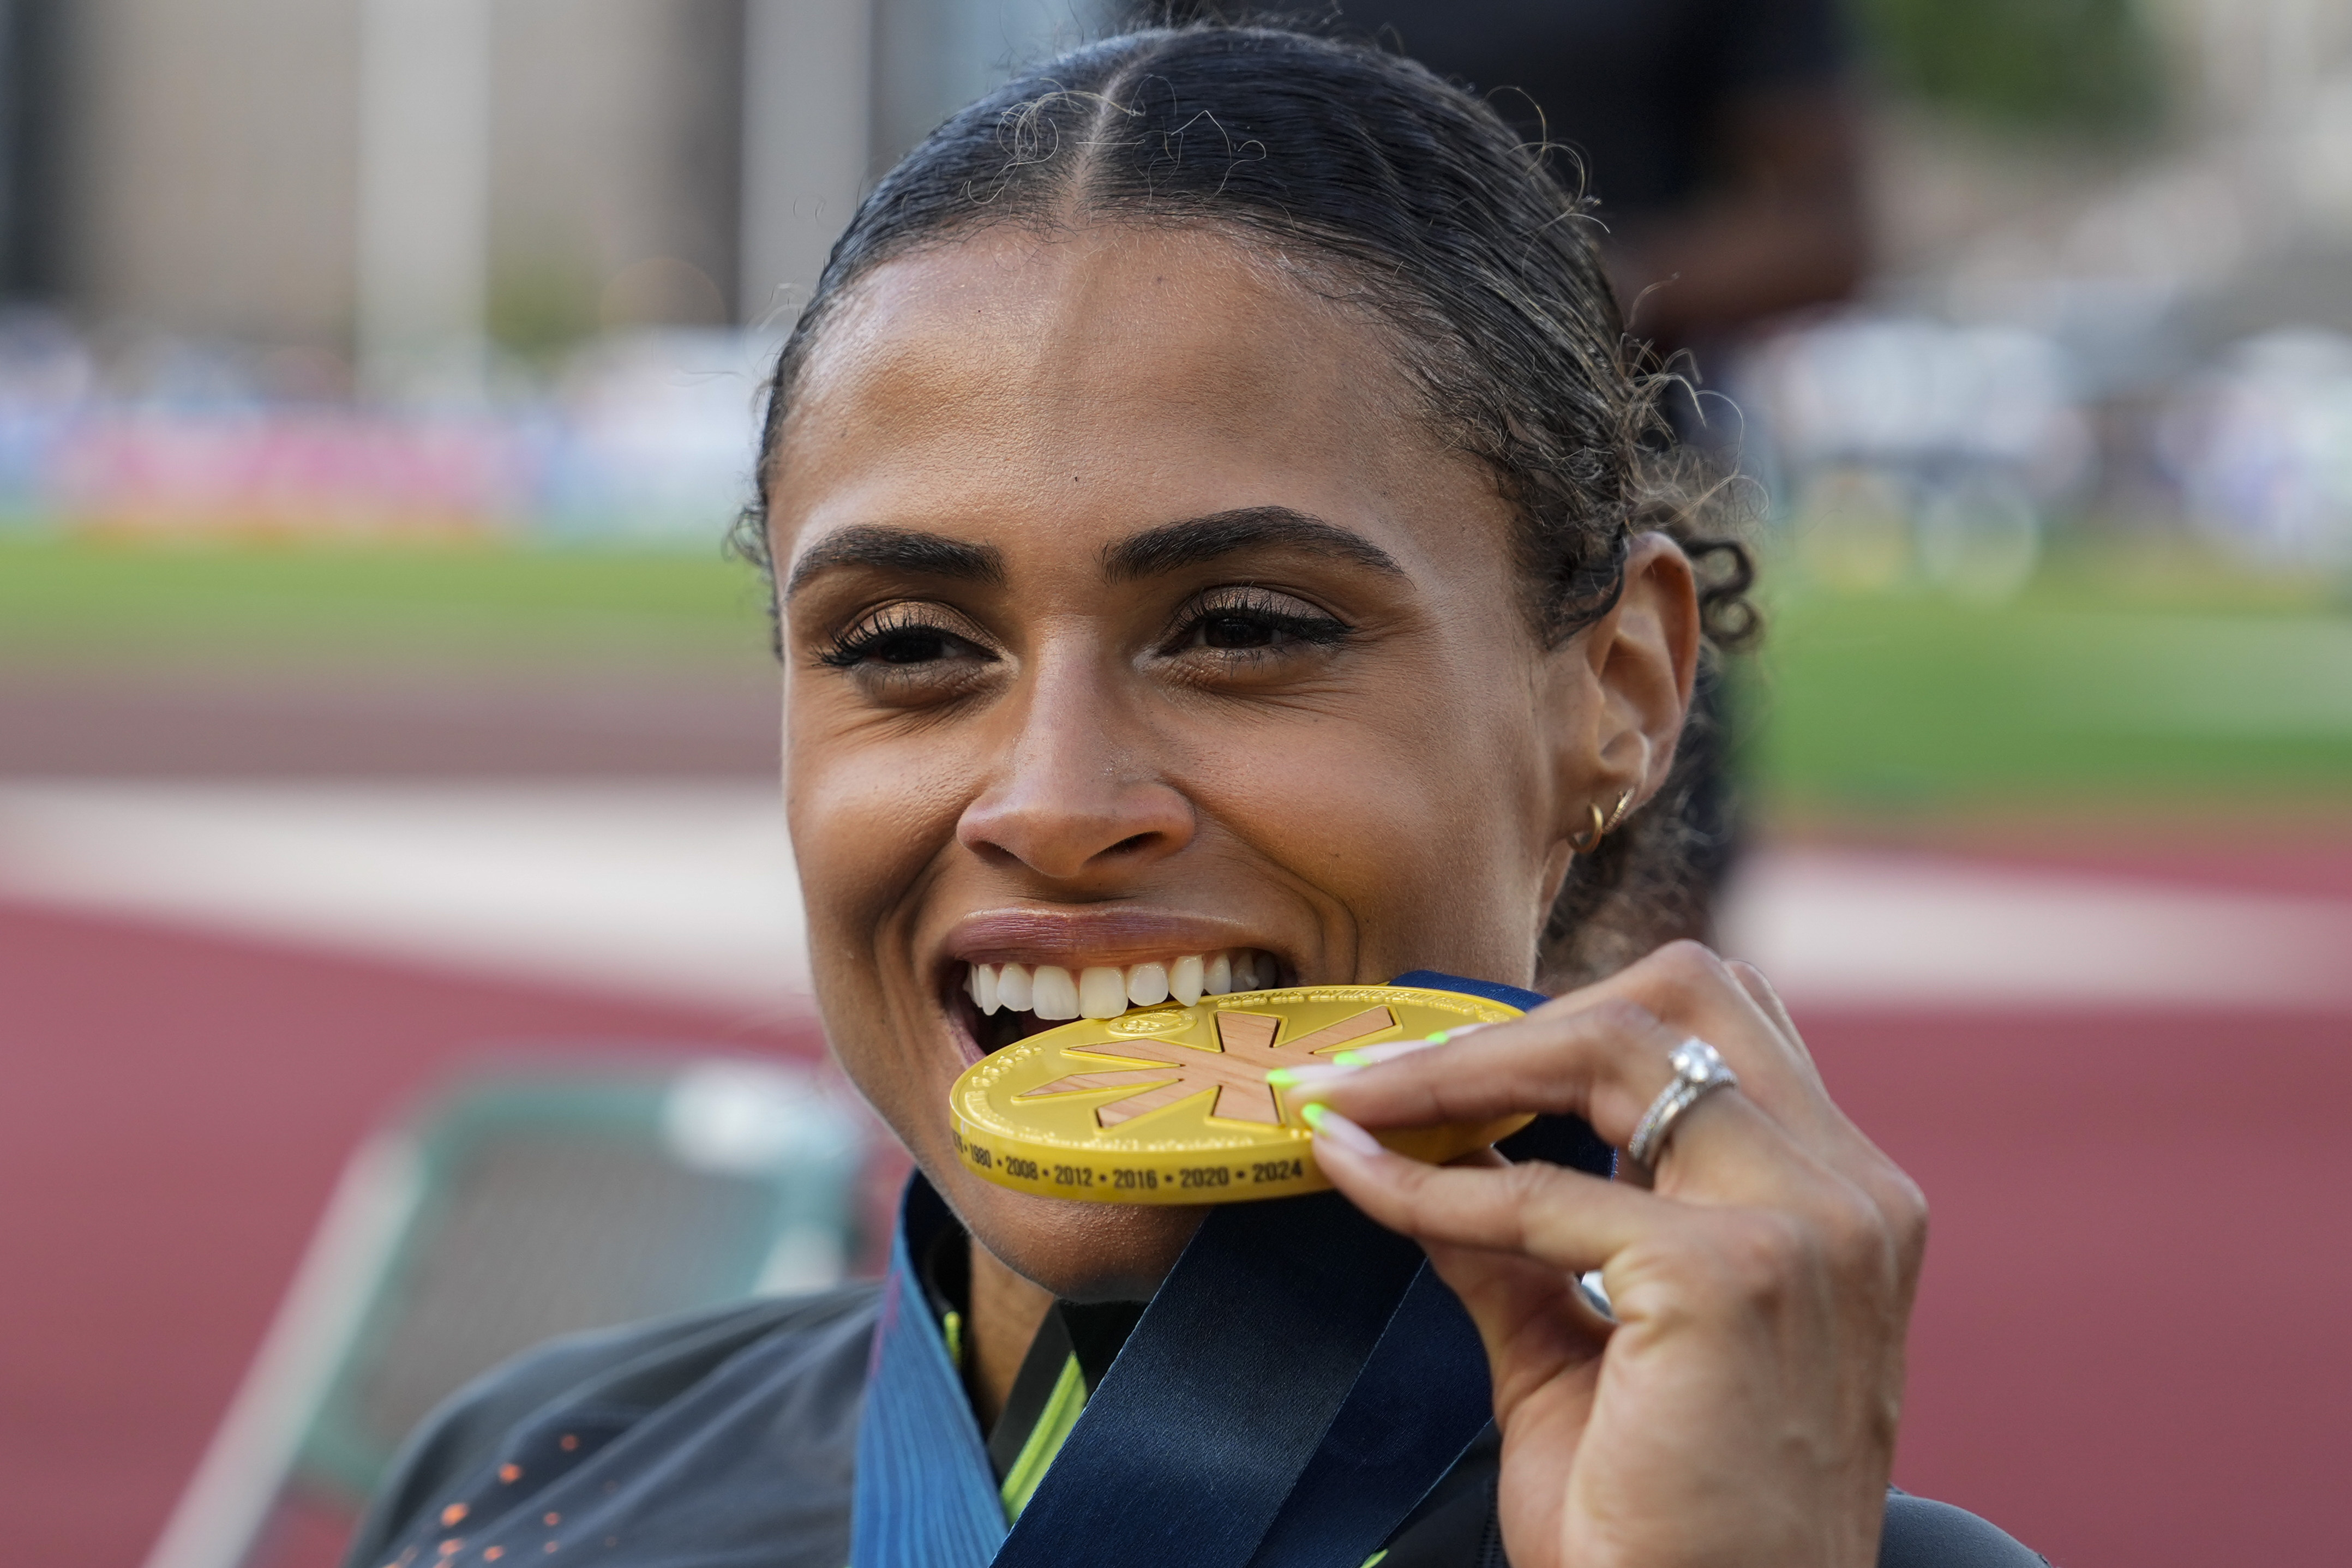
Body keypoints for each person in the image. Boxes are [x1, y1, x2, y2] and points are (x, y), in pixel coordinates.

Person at [345, 23, 2039, 1568]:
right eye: (910, 642)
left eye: (1241, 629)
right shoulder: (531, 1476)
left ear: (1620, 695)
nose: (1055, 801)